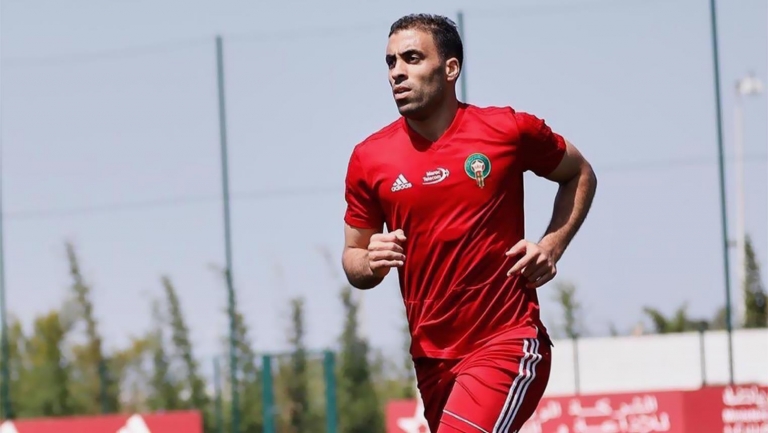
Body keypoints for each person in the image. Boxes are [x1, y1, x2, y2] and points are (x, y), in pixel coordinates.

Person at [341, 13, 597, 433]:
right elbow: (353, 256)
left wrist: (551, 245)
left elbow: (579, 173)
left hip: (507, 341)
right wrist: (369, 262)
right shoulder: (369, 158)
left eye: (411, 58)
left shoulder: (507, 130)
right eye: (390, 62)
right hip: (432, 361)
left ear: (450, 68)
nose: (397, 72)